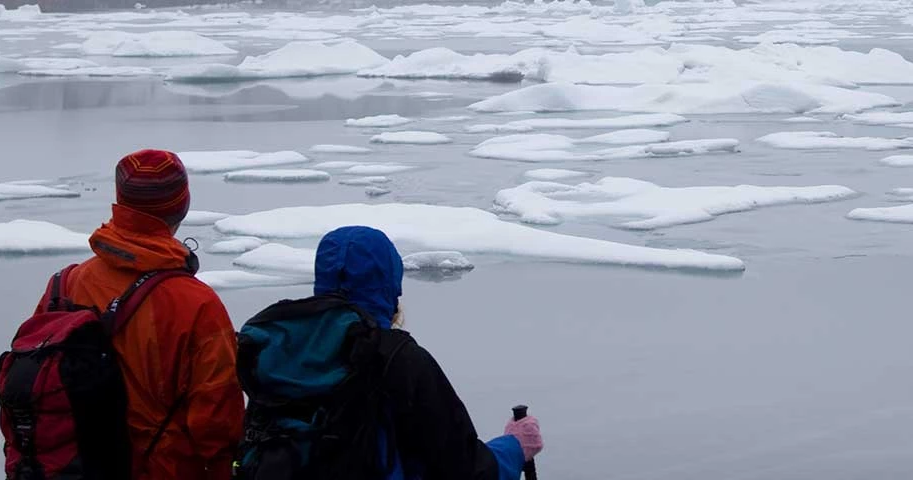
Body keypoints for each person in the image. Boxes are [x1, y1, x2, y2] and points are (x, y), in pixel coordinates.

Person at [234, 226, 524, 480]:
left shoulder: (280, 352)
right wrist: (515, 447)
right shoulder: (399, 359)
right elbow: (465, 469)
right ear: (389, 283)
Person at [39, 149, 243, 480]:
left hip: (69, 468)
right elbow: (217, 423)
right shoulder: (196, 305)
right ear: (182, 206)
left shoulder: (65, 285)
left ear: (121, 202)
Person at [504, 406, 543, 480]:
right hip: (514, 455)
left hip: (525, 455)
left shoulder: (530, 424)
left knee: (529, 473)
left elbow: (537, 444)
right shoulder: (510, 425)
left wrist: (529, 452)